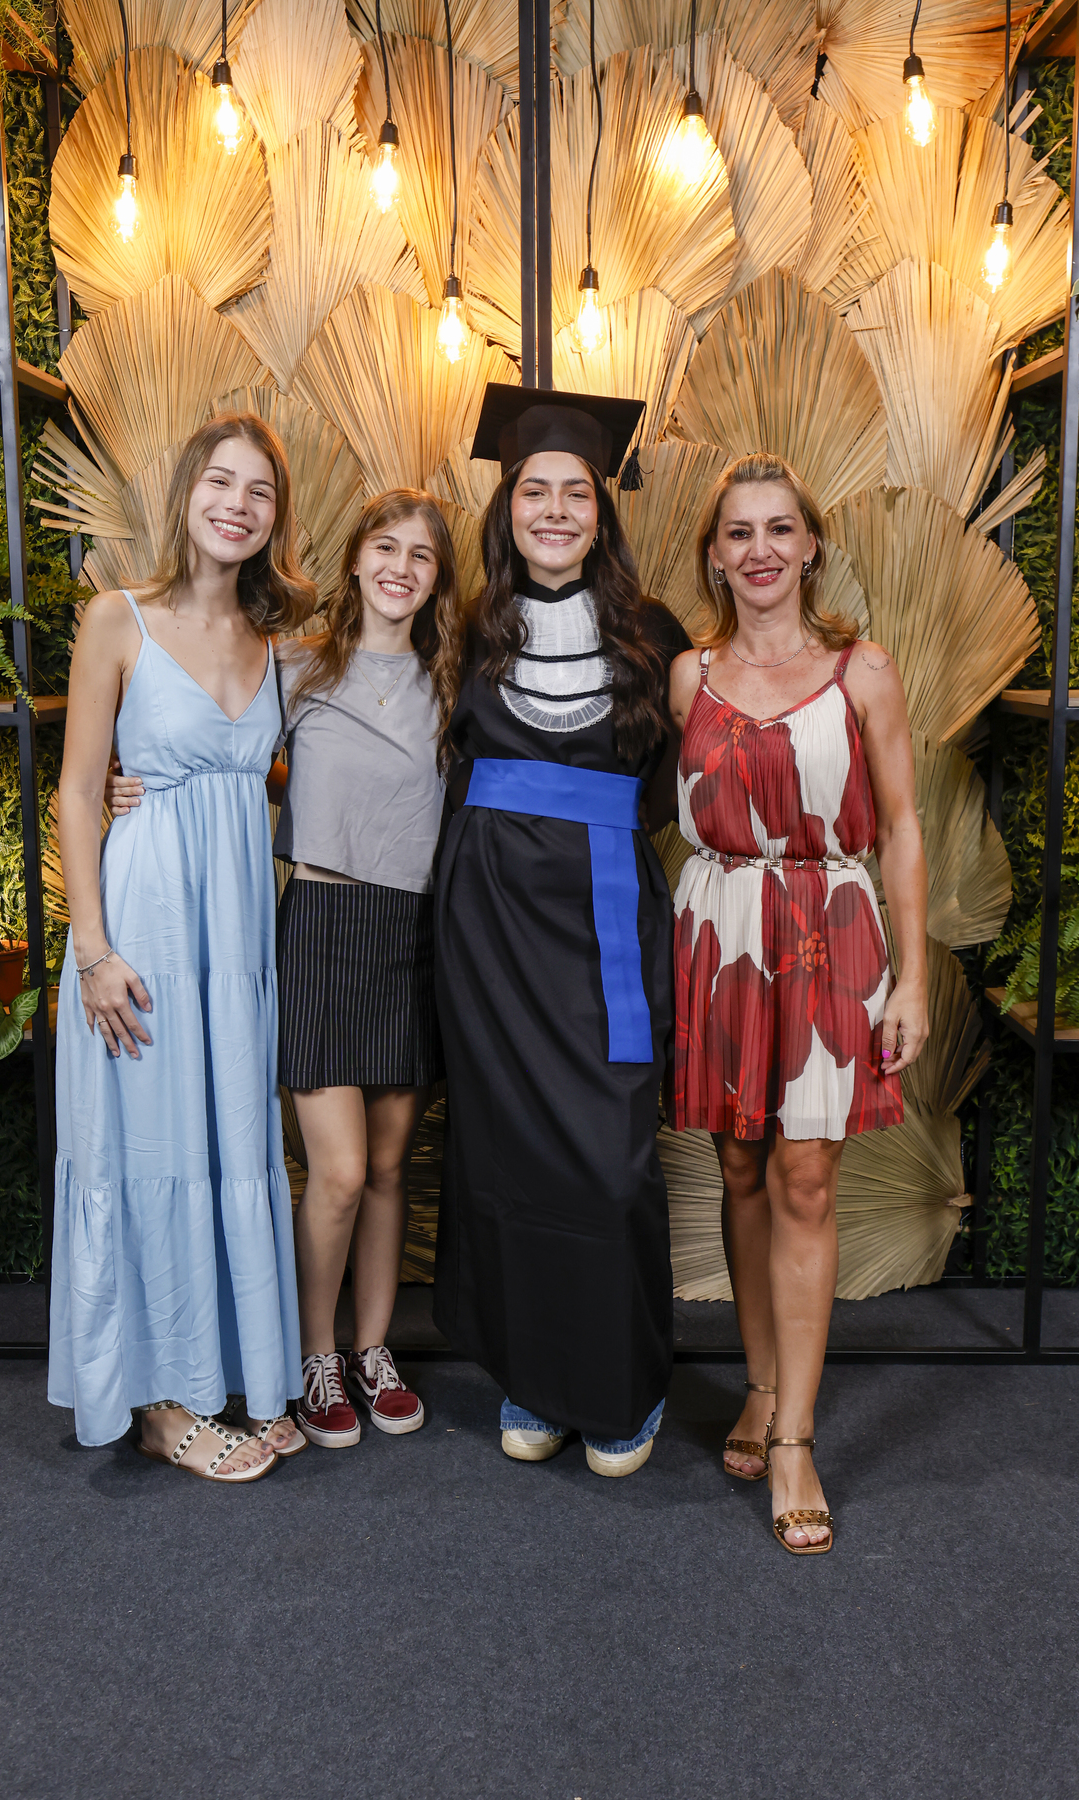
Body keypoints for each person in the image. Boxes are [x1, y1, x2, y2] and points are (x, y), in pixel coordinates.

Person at [668, 451, 929, 1553]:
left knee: (806, 1178)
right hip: (720, 927)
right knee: (738, 1165)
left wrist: (913, 976)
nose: (761, 548)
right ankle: (763, 1382)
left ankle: (795, 1442)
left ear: (811, 545)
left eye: (780, 528)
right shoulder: (687, 676)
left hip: (831, 931)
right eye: (740, 532)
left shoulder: (862, 670)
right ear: (715, 556)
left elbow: (902, 824)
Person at [434, 385, 691, 1478]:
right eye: (532, 491)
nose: (552, 510)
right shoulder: (463, 627)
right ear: (507, 509)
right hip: (489, 925)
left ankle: (622, 1388)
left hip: (606, 918)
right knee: (508, 1155)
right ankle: (536, 1379)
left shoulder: (654, 634)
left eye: (573, 493)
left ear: (600, 511)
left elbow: (676, 782)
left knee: (610, 1160)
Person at [50, 414, 313, 1481]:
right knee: (151, 1150)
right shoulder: (117, 618)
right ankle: (161, 1408)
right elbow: (77, 790)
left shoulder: (278, 644)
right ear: (186, 493)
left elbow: (267, 778)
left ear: (275, 518)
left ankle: (233, 1374)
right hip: (145, 932)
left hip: (235, 941)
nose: (236, 505)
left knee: (225, 1145)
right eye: (220, 482)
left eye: (259, 491)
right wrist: (93, 952)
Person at [273, 490, 460, 1447]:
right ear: (354, 560)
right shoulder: (293, 668)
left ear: (437, 581)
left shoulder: (456, 689)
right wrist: (121, 778)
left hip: (414, 933)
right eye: (385, 547)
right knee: (338, 1173)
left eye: (421, 556)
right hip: (320, 923)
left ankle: (373, 1350)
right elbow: (209, 753)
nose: (400, 567)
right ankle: (316, 1356)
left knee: (388, 1168)